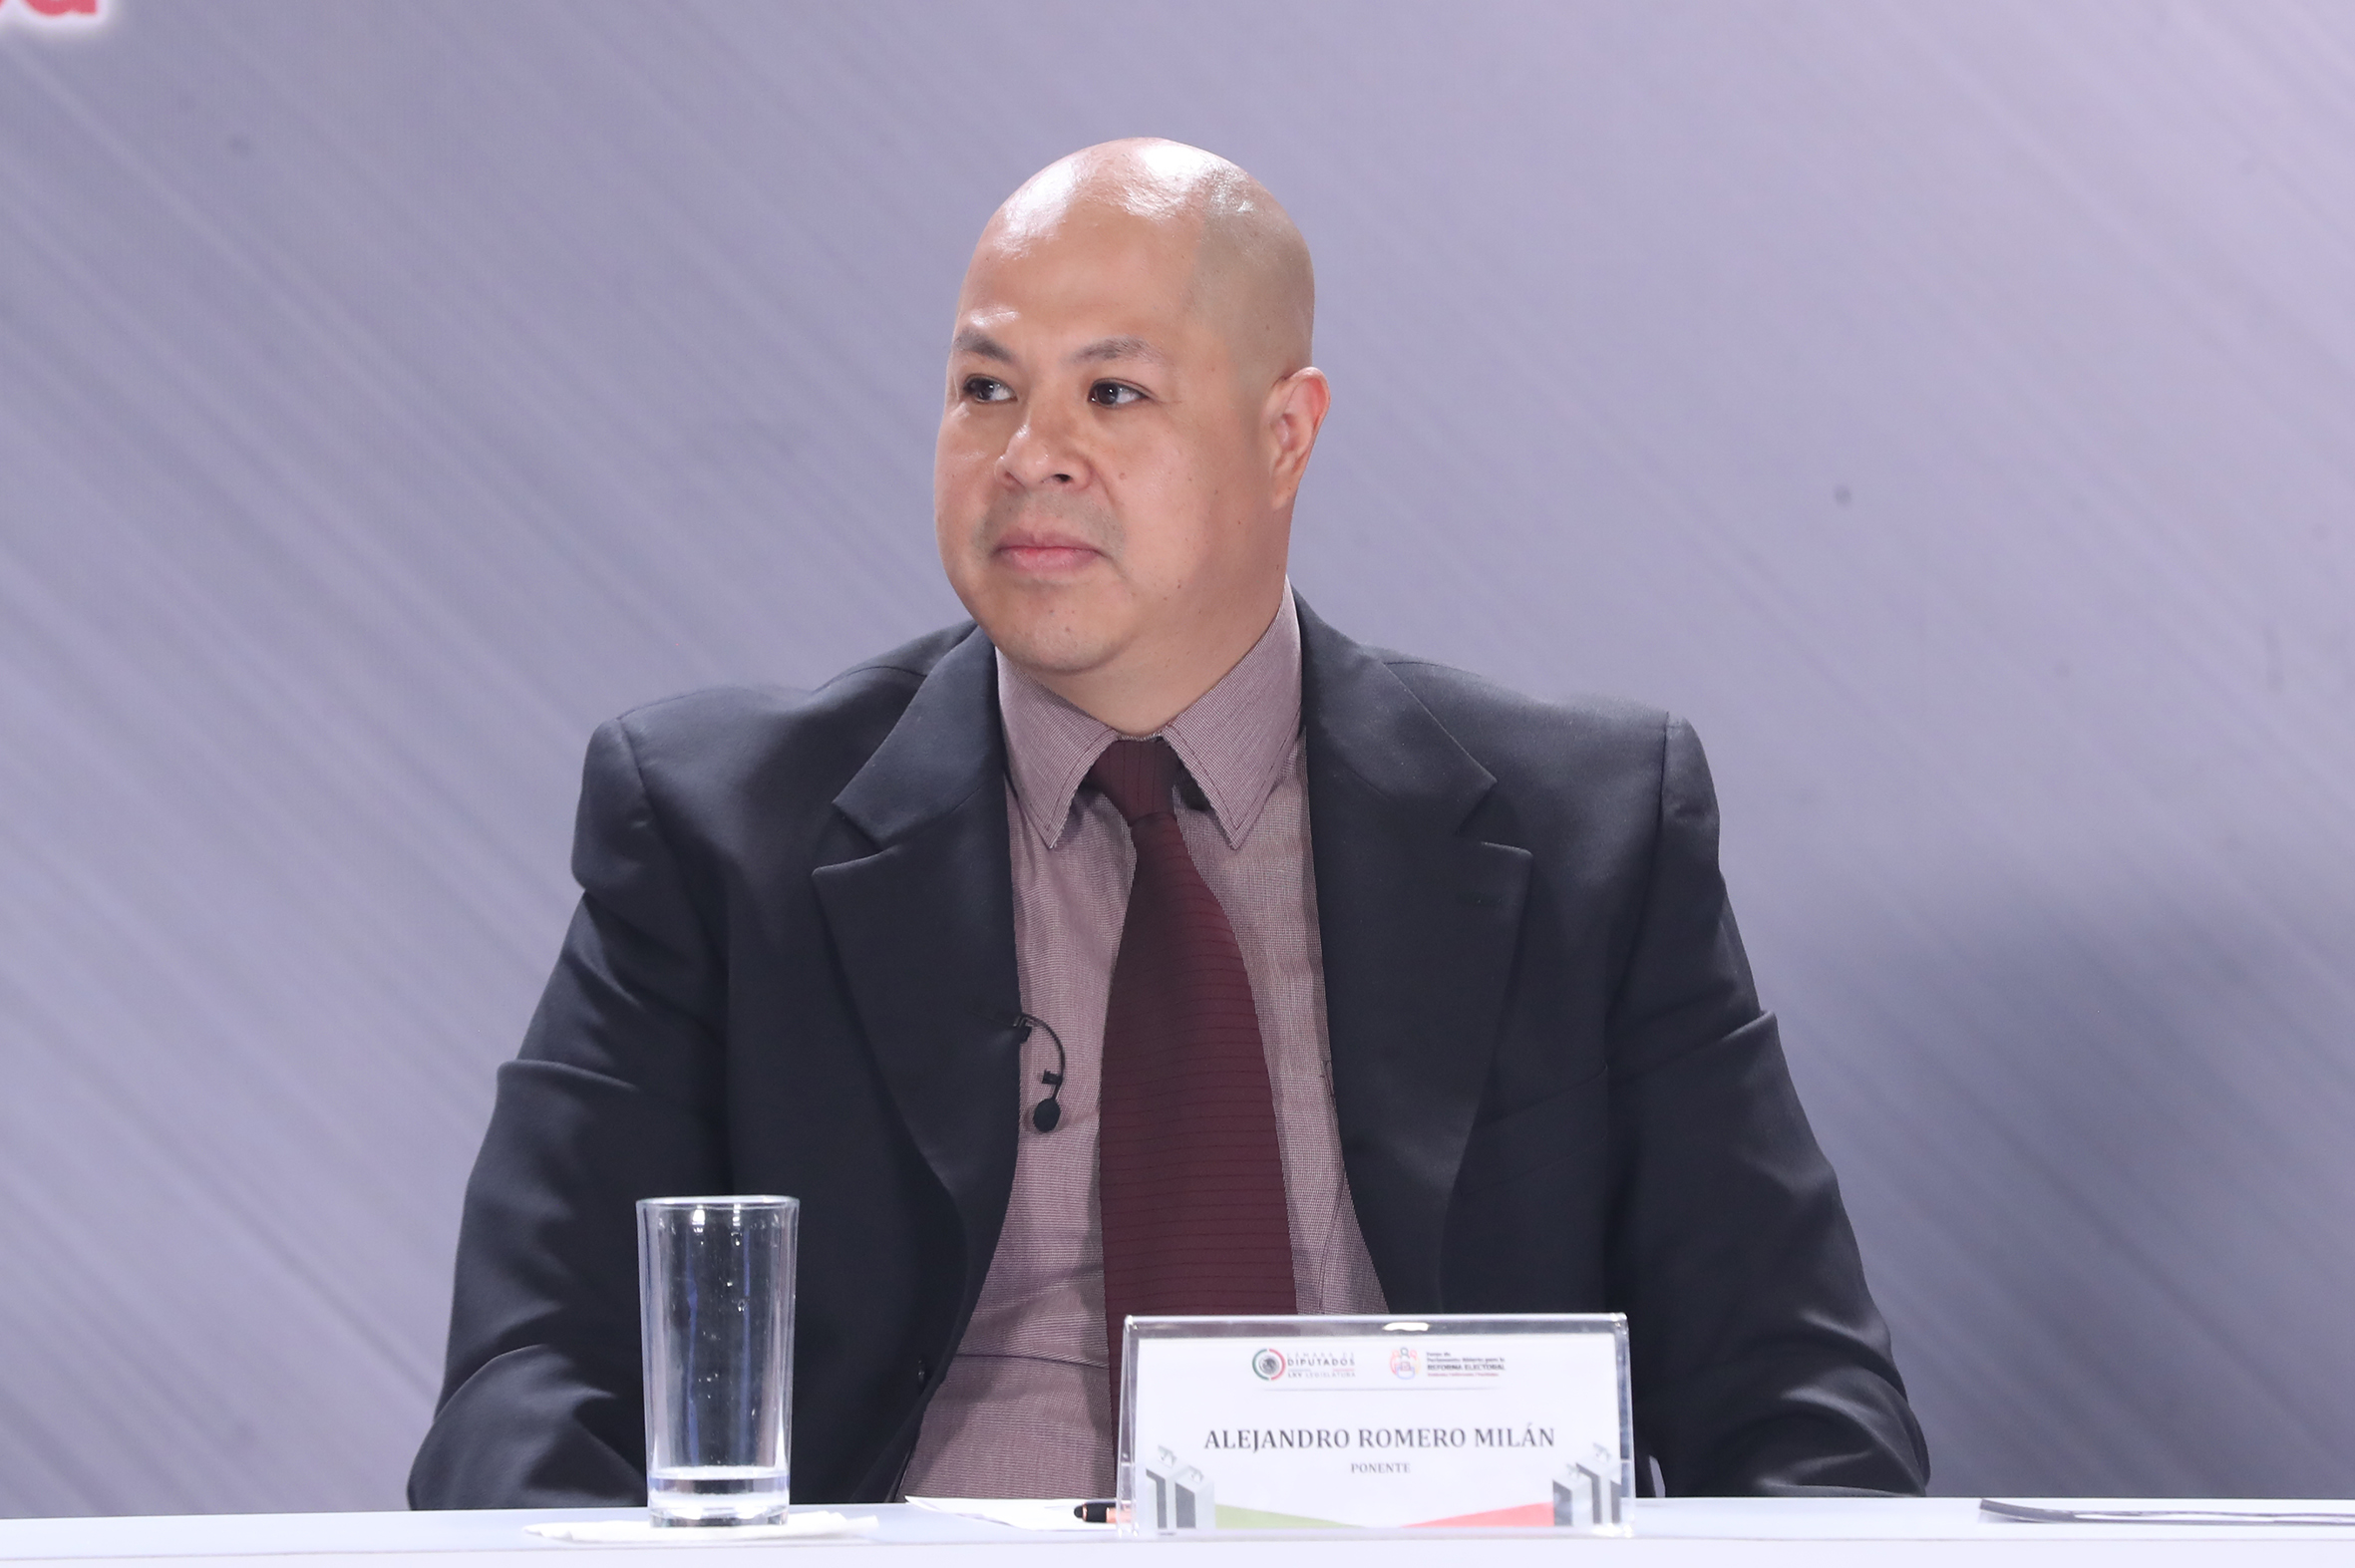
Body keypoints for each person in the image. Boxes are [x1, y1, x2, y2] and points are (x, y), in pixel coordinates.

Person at [409, 139, 1928, 1508]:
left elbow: (1802, 1404)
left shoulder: (1586, 836)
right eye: (985, 389)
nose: (1030, 453)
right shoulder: (721, 835)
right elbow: (525, 1383)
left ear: (1285, 435)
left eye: (1111, 393)